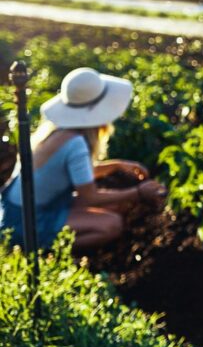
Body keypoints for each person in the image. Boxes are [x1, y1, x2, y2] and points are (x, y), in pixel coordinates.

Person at [0, 67, 167, 250]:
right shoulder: (76, 143)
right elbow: (89, 196)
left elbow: (78, 175)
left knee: (115, 205)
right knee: (111, 224)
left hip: (13, 209)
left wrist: (116, 166)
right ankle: (42, 250)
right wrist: (139, 192)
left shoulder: (58, 132)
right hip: (25, 220)